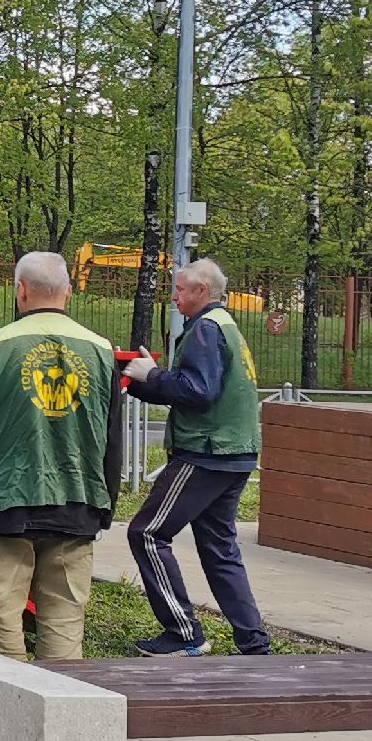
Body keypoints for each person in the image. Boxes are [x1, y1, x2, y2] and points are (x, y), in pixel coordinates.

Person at [0, 251, 123, 662]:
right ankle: (63, 707)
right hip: (78, 501)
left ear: (20, 291)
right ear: (69, 293)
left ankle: (7, 706)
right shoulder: (101, 351)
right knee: (64, 619)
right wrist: (105, 502)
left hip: (6, 502)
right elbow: (111, 438)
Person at [124, 258, 271, 657]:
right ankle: (253, 643)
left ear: (202, 291)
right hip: (235, 453)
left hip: (206, 453)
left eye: (181, 290)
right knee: (220, 548)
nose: (175, 296)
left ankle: (184, 633)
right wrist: (137, 382)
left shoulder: (205, 330)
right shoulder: (226, 326)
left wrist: (152, 376)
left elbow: (198, 391)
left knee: (147, 534)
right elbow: (195, 390)